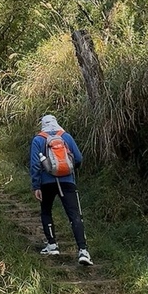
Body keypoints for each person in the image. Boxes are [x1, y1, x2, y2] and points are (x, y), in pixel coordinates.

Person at [30, 114, 93, 266]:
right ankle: (83, 250)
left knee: (46, 211)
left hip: (47, 183)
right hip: (67, 181)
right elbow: (78, 158)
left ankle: (52, 245)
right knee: (74, 214)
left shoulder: (38, 139)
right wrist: (68, 170)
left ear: (43, 124)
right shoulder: (66, 137)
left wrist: (36, 186)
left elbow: (35, 165)